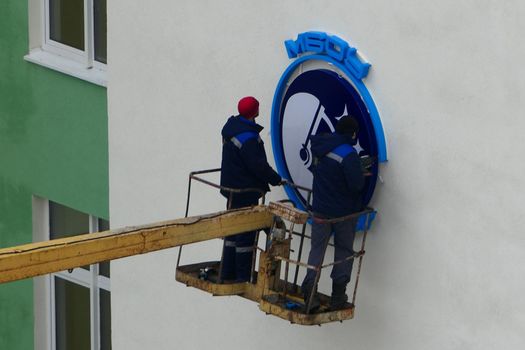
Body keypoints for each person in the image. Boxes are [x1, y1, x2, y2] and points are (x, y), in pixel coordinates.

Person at [301, 116, 365, 311]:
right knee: (344, 251)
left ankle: (309, 291)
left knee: (317, 249)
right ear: (352, 133)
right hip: (343, 213)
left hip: (320, 208)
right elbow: (356, 185)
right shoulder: (348, 154)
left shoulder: (320, 146)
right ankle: (338, 296)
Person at [219, 96, 282, 282]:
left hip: (231, 189)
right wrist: (275, 179)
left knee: (232, 231)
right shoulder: (248, 138)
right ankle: (242, 278)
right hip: (246, 191)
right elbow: (258, 165)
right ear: (254, 111)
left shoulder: (231, 129)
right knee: (246, 235)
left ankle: (226, 272)